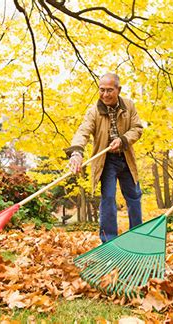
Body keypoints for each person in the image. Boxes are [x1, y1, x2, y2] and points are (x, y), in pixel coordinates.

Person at [66, 73, 143, 243]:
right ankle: (109, 241)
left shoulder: (129, 106)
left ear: (118, 90)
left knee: (134, 196)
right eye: (102, 90)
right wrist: (76, 153)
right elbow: (83, 132)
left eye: (110, 90)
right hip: (107, 161)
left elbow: (137, 128)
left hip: (126, 158)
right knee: (108, 198)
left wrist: (123, 140)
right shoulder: (94, 112)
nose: (105, 94)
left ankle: (137, 237)